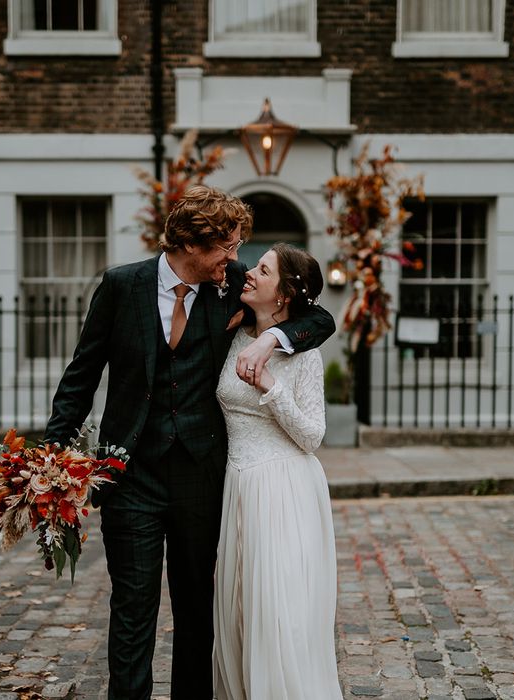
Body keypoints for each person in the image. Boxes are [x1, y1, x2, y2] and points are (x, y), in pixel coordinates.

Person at [43, 186, 335, 700]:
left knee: (198, 612)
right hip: (128, 472)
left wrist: (271, 338)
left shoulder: (231, 287)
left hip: (201, 476)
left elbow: (317, 316)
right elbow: (81, 375)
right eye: (227, 247)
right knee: (132, 610)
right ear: (191, 245)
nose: (236, 259)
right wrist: (52, 457)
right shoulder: (121, 285)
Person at [213, 243, 343, 700]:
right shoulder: (235, 331)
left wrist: (270, 387)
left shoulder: (304, 355)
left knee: (276, 613)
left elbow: (312, 436)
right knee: (240, 613)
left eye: (262, 270)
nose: (249, 273)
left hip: (283, 489)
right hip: (238, 484)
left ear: (284, 293)